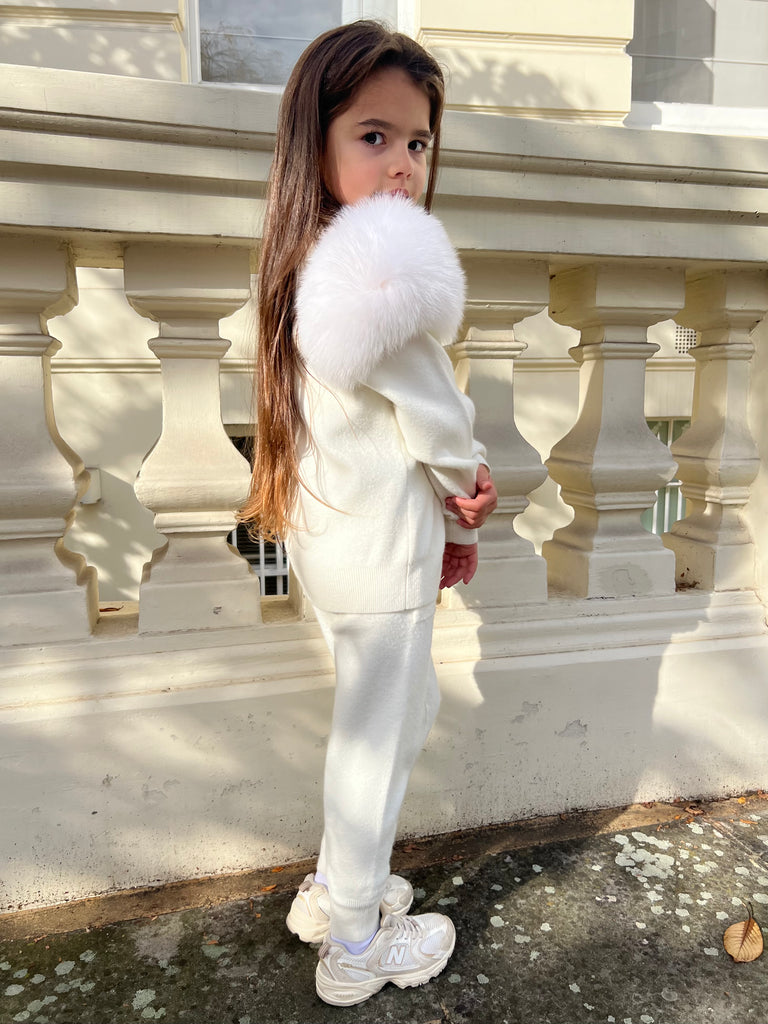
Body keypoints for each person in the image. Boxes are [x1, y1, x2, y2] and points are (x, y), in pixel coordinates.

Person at [239, 20, 498, 1008]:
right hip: (381, 554)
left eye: (418, 142)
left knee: (388, 717)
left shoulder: (305, 261)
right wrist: (469, 510)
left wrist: (447, 537)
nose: (403, 166)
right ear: (317, 144)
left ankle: (337, 887)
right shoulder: (381, 269)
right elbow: (442, 429)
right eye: (375, 136)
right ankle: (354, 937)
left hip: (340, 546)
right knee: (379, 737)